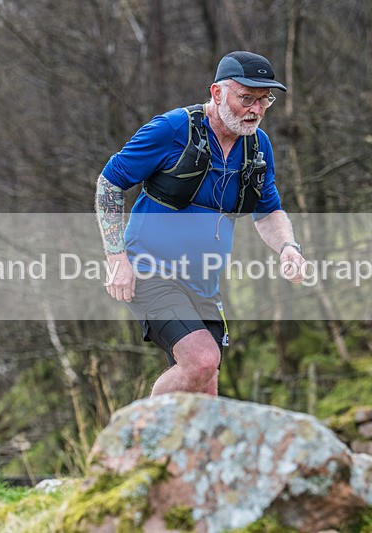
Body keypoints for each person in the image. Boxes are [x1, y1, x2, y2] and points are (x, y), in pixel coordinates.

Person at [95, 50, 305, 397]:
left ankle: (177, 451)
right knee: (202, 360)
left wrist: (288, 247)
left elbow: (268, 211)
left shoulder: (259, 147)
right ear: (217, 93)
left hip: (205, 280)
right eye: (246, 99)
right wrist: (116, 258)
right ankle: (139, 433)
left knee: (206, 390)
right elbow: (110, 184)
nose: (256, 110)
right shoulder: (171, 129)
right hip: (151, 270)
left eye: (264, 101)